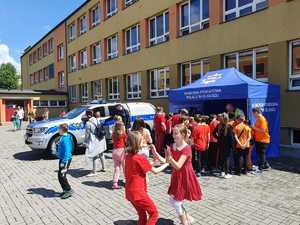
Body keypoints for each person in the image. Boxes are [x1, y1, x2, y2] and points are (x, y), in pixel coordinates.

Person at [152, 124, 203, 225]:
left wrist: (170, 159)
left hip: (185, 176)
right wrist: (157, 155)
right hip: (176, 176)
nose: (174, 136)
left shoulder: (187, 148)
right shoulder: (172, 146)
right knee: (173, 200)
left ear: (183, 134)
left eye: (176, 133)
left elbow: (178, 165)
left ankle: (185, 222)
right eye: (173, 133)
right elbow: (166, 161)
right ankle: (187, 217)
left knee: (176, 202)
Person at [125, 131, 169, 225]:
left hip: (130, 192)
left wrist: (153, 160)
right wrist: (167, 164)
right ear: (137, 143)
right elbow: (155, 171)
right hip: (138, 193)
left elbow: (142, 167)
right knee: (154, 213)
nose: (144, 141)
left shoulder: (128, 156)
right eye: (142, 140)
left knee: (142, 215)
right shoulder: (140, 158)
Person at [83, 110, 106, 177]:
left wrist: (85, 142)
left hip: (94, 140)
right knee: (101, 153)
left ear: (88, 116)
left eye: (86, 115)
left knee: (94, 155)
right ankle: (104, 168)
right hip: (101, 139)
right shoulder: (97, 119)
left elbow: (87, 135)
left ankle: (94, 171)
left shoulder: (88, 123)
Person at [56, 123, 74, 199]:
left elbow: (67, 151)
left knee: (62, 175)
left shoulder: (65, 139)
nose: (58, 130)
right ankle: (65, 190)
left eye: (59, 129)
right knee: (60, 175)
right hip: (62, 158)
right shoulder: (63, 137)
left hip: (65, 160)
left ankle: (69, 190)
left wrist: (64, 162)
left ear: (62, 130)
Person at [214, 113, 234, 179]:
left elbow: (213, 133)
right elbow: (231, 138)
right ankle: (227, 173)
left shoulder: (219, 125)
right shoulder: (229, 126)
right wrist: (232, 146)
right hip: (227, 145)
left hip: (220, 144)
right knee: (227, 159)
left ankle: (222, 171)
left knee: (222, 158)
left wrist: (218, 138)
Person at [112, 121, 127, 189]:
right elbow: (126, 142)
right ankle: (127, 181)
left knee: (117, 168)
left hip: (115, 151)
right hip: (121, 151)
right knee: (125, 168)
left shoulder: (113, 133)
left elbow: (113, 141)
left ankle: (115, 183)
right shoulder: (123, 134)